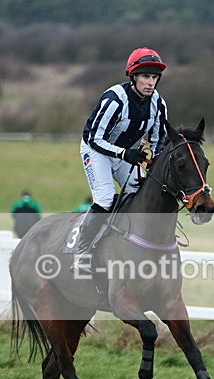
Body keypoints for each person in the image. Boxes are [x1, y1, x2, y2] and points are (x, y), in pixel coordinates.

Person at [70, 47, 169, 269]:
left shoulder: (158, 104)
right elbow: (94, 138)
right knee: (106, 199)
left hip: (126, 153)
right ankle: (82, 251)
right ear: (133, 77)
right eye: (145, 76)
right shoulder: (114, 99)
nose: (150, 83)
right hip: (96, 150)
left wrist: (152, 159)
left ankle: (126, 245)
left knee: (138, 196)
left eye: (154, 77)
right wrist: (125, 153)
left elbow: (157, 140)